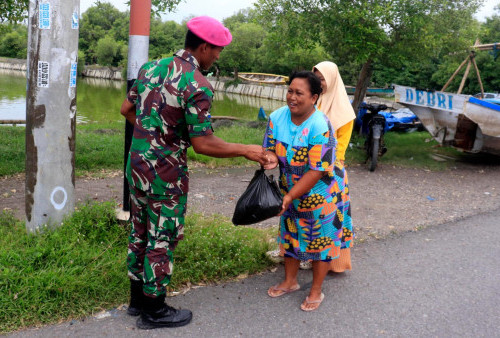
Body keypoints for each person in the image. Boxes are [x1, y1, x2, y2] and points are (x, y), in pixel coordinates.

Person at [120, 16, 270, 330]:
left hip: (137, 165)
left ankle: (136, 302)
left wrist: (153, 135)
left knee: (140, 231)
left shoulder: (150, 68)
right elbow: (203, 144)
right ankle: (154, 311)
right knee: (162, 237)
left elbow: (126, 110)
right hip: (166, 173)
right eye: (217, 50)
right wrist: (245, 149)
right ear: (203, 46)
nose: (218, 56)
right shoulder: (196, 83)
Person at [263, 71, 343, 311]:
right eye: (290, 91)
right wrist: (270, 159)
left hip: (321, 193)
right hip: (289, 189)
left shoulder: (321, 125)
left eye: (299, 93)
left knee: (321, 241)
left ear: (314, 97)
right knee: (290, 235)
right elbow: (268, 148)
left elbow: (316, 171)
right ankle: (290, 281)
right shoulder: (276, 117)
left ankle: (316, 290)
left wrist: (288, 197)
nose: (292, 97)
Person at [313, 61, 355, 273]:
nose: (318, 83)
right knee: (308, 218)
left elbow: (340, 150)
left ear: (332, 80)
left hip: (331, 173)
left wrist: (323, 167)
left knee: (329, 221)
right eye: (316, 78)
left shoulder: (344, 112)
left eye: (322, 79)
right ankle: (307, 257)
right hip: (309, 168)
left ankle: (331, 263)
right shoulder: (313, 102)